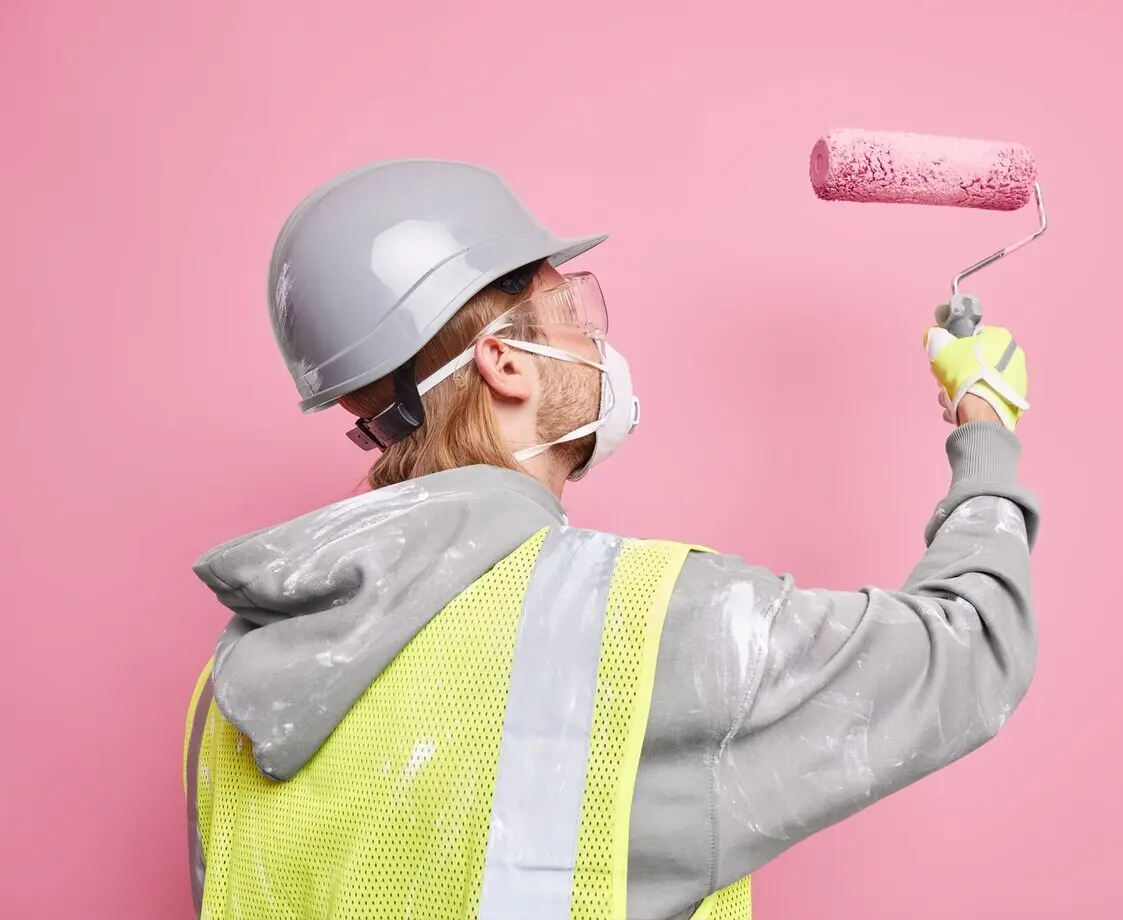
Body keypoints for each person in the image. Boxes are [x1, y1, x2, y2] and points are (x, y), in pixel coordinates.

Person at [182, 158, 1039, 920]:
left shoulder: (230, 688)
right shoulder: (642, 626)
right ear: (504, 361)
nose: (594, 341)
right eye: (569, 310)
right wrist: (984, 427)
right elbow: (968, 652)